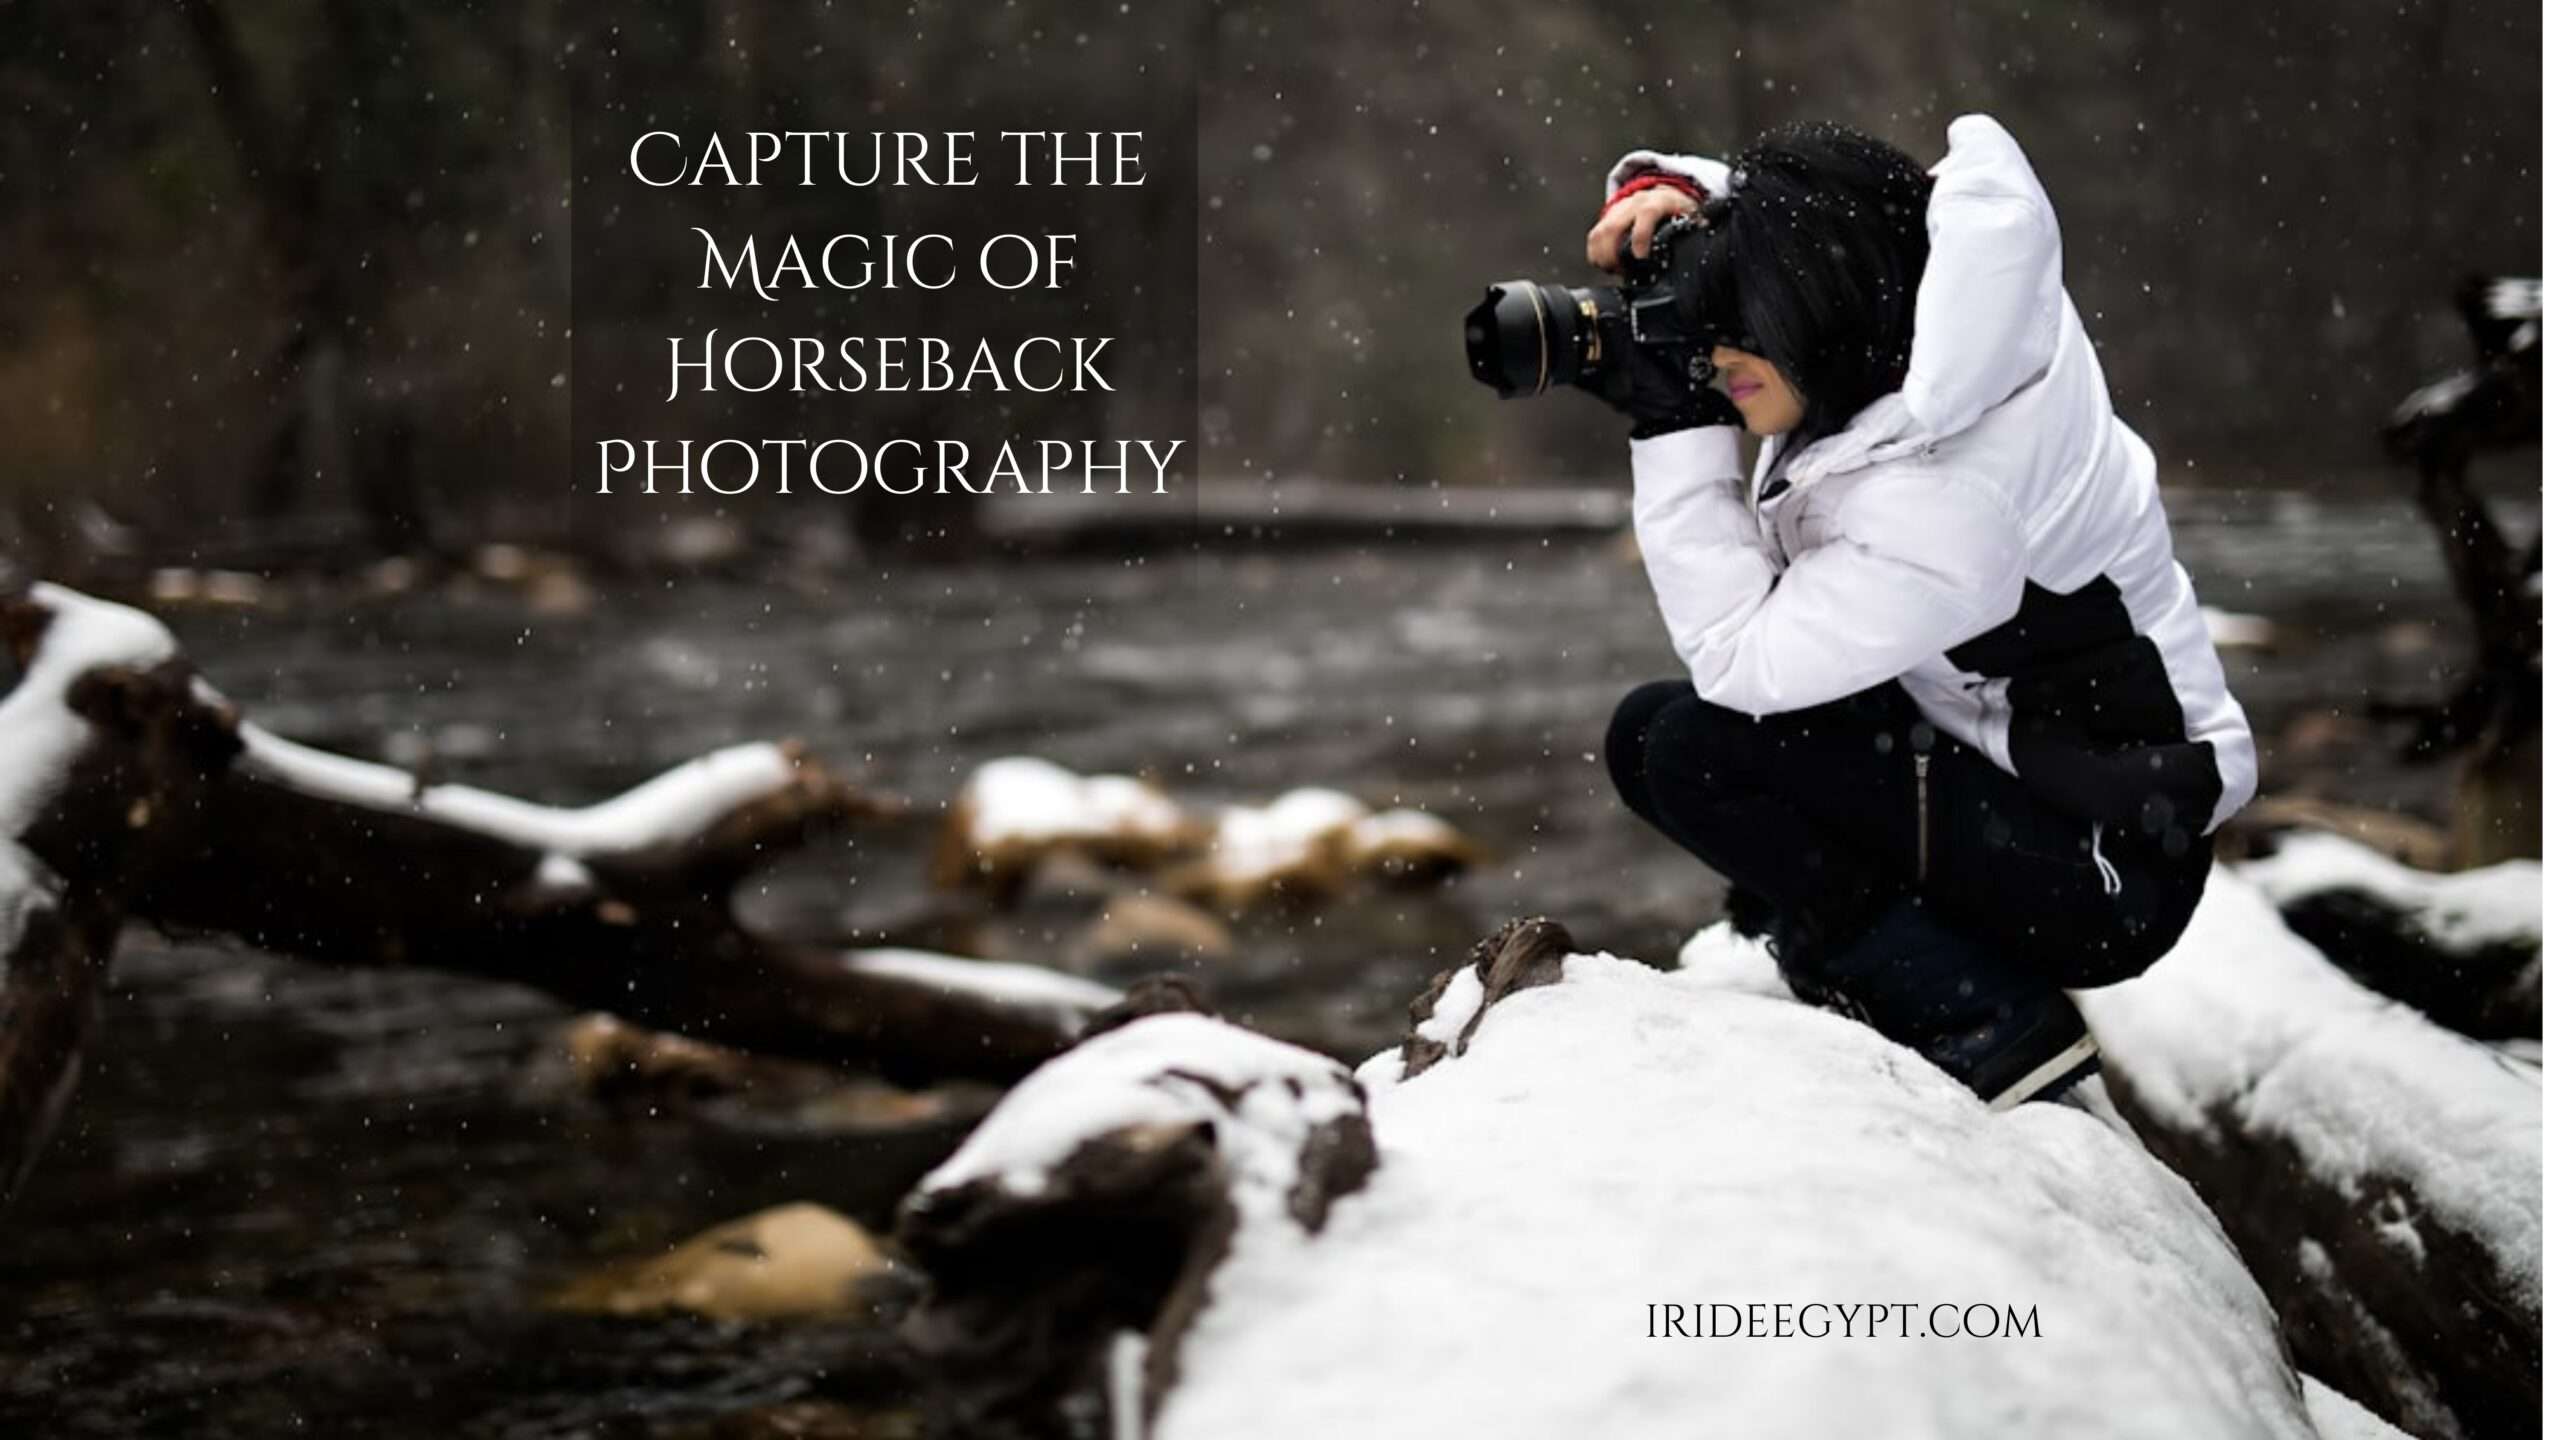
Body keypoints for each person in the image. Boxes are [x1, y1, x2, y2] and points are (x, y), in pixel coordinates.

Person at [1584, 115, 2256, 1109]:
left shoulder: (1948, 496)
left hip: (2104, 867)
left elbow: (1737, 656)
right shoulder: (1935, 338)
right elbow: (1850, 218)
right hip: (2028, 781)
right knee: (1649, 733)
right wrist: (1683, 195)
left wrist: (1673, 429)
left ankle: (1981, 1018)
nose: (1709, 351)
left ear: (1820, 314)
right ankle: (1864, 949)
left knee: (1696, 747)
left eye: (1735, 322)